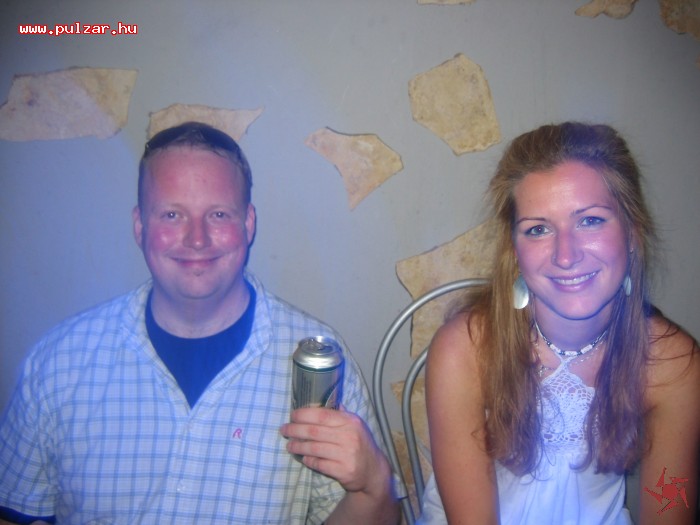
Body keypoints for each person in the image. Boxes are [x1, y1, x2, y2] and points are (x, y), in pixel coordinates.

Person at [0, 122, 400, 525]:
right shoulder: (59, 362)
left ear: (248, 224)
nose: (196, 239)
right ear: (140, 226)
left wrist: (373, 484)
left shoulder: (320, 366)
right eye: (172, 214)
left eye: (218, 214)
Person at [418, 122, 699, 524]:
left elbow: (669, 509)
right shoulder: (465, 349)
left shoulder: (674, 366)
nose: (566, 256)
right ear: (514, 251)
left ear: (632, 233)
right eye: (538, 229)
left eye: (590, 221)